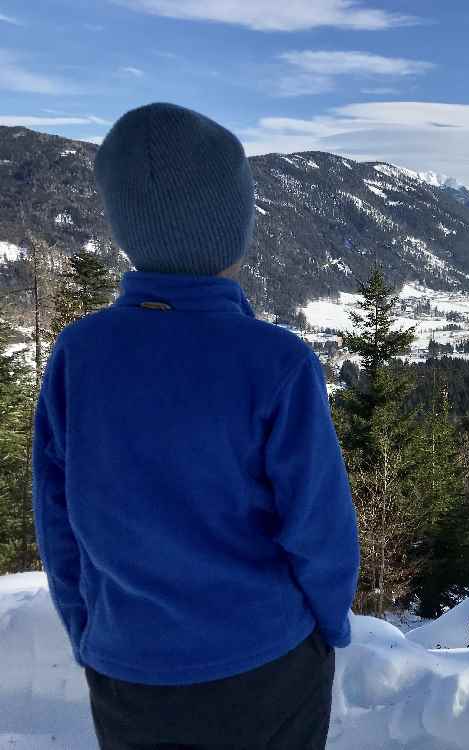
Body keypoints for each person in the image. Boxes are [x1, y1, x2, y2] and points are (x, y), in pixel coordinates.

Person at [31, 102, 361, 749]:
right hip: (267, 663)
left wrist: (89, 631)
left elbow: (58, 518)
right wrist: (326, 626)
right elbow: (321, 530)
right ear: (233, 223)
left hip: (128, 669)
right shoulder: (276, 361)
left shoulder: (80, 353)